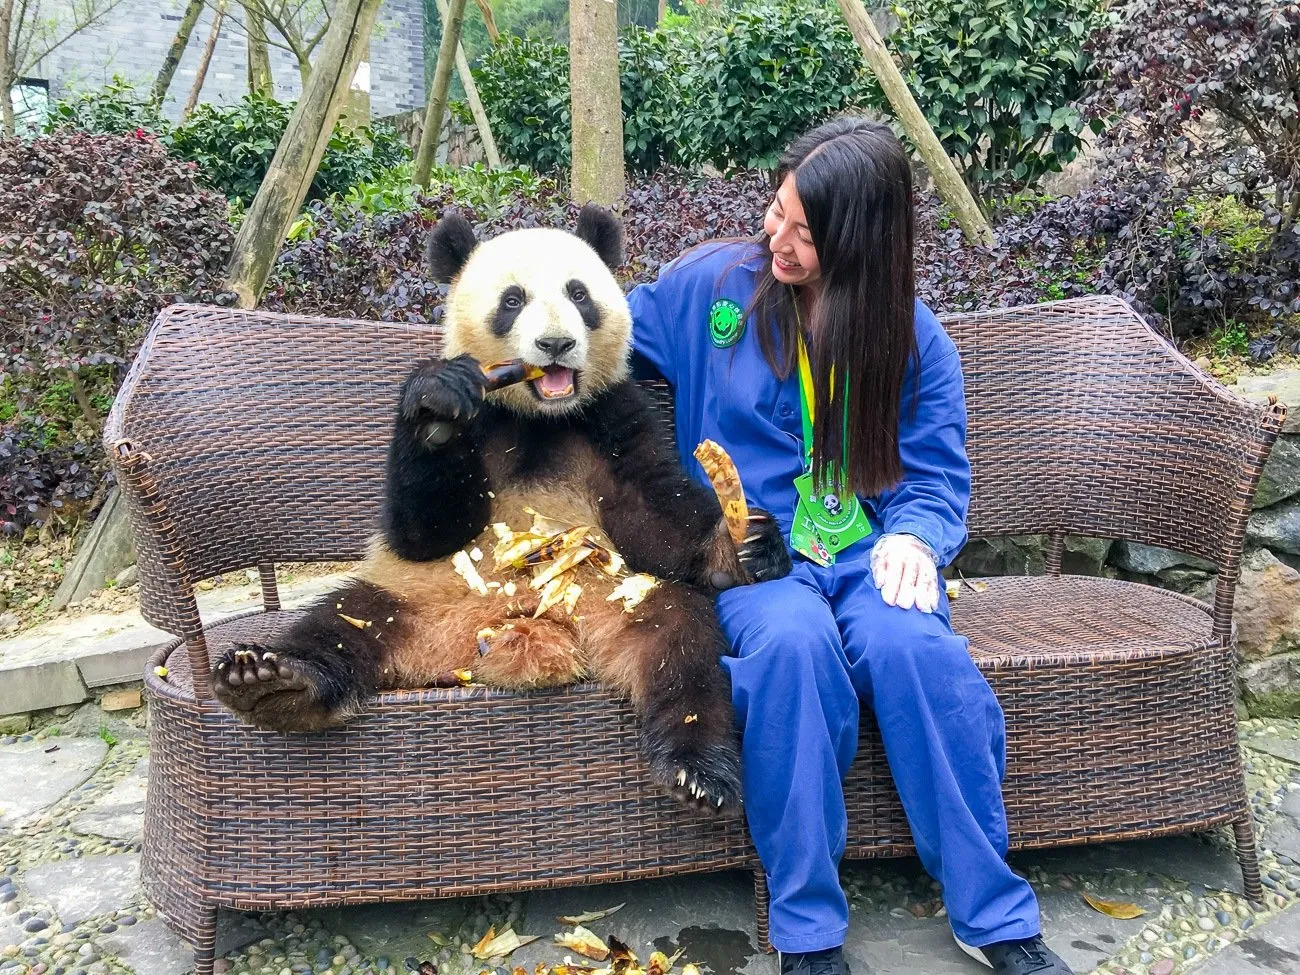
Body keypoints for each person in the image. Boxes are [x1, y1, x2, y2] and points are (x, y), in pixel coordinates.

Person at [624, 116, 1074, 975]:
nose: (776, 236)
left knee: (919, 653)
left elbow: (937, 474)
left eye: (804, 230)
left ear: (861, 243)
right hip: (755, 559)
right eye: (776, 209)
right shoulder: (709, 287)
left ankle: (993, 913)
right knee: (791, 651)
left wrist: (915, 534)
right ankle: (807, 932)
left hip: (871, 557)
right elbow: (600, 334)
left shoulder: (912, 338)